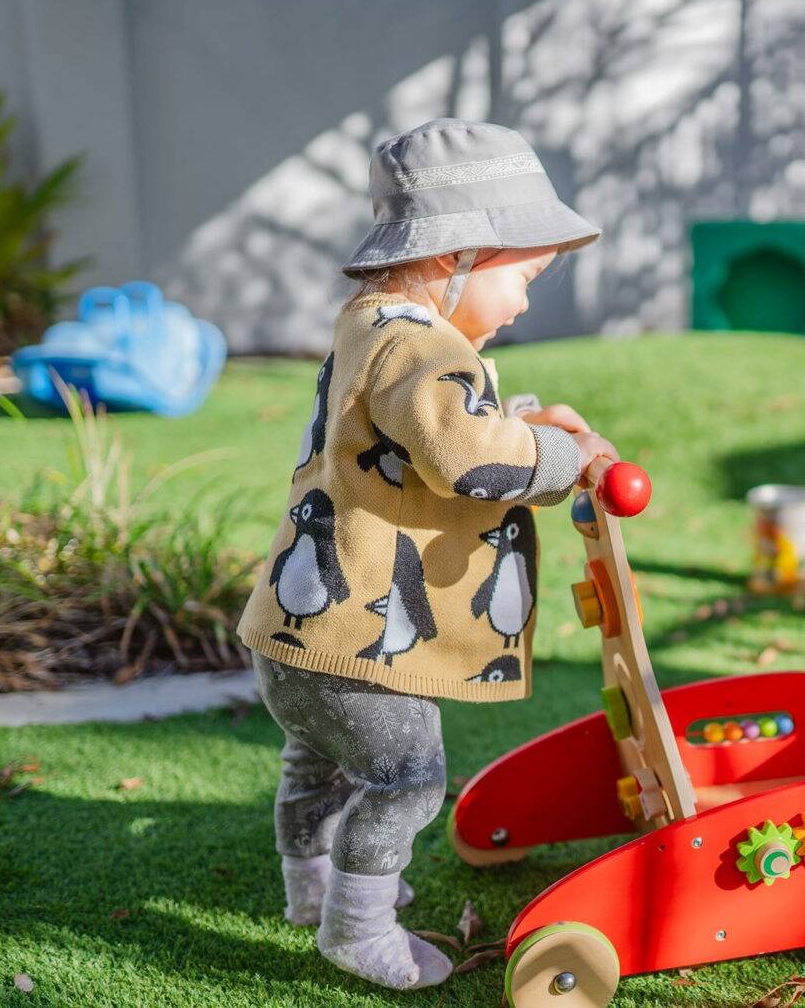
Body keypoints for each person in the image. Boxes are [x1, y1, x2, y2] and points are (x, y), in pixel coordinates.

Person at [235, 120, 617, 989]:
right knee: (406, 779)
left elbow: (420, 434)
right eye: (522, 279)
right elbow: (468, 459)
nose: (523, 305)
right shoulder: (419, 344)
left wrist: (521, 418)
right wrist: (568, 459)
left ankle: (313, 888)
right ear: (457, 255)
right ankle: (356, 928)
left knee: (320, 765)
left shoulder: (374, 326)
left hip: (300, 635)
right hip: (358, 644)